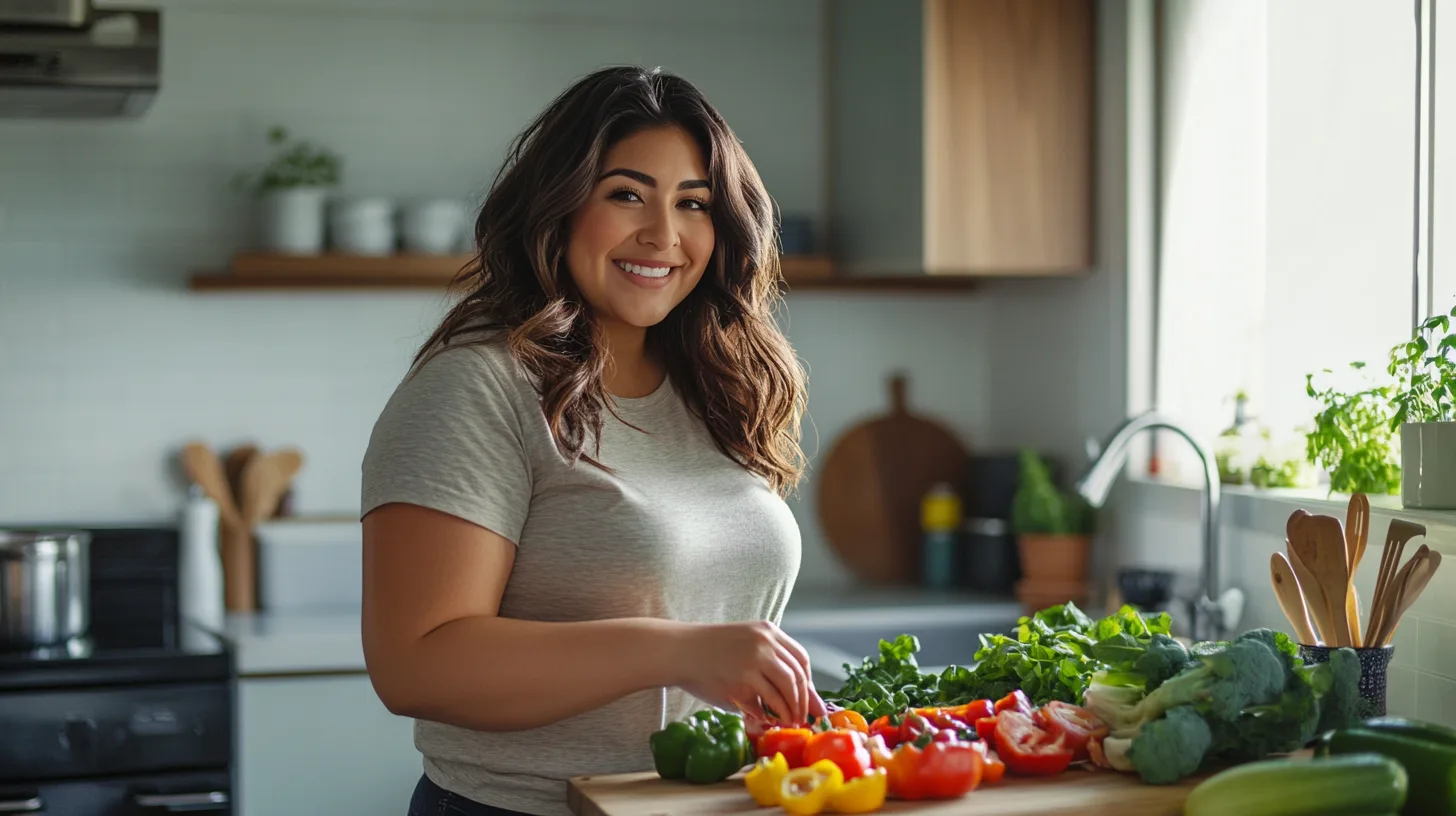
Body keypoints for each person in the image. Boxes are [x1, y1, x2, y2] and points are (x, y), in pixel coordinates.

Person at [359, 65, 827, 816]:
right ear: (559, 207)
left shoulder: (717, 384)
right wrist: (680, 650)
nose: (663, 235)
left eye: (694, 203)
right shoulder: (477, 386)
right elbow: (414, 667)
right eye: (626, 194)